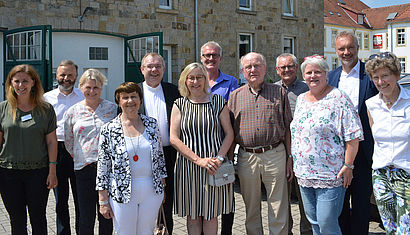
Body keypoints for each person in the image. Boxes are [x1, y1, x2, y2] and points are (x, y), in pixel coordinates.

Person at [291, 55, 363, 235]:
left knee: (327, 222)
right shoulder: (301, 99)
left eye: (318, 72)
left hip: (330, 175)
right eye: (309, 72)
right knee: (314, 221)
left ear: (326, 74)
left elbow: (353, 137)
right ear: (304, 76)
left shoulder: (338, 97)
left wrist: (348, 165)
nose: (313, 76)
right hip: (304, 172)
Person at [228, 52, 293, 235]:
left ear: (265, 69)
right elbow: (231, 133)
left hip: (275, 154)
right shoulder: (235, 96)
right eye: (248, 67)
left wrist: (289, 158)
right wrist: (229, 162)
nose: (253, 70)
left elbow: (288, 127)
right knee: (251, 208)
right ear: (242, 71)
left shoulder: (279, 92)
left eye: (257, 65)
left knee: (278, 206)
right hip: (247, 157)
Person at [170, 63, 234, 235]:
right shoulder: (179, 104)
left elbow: (229, 134)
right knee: (193, 216)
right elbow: (174, 138)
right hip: (188, 167)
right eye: (191, 77)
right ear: (185, 80)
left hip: (214, 168)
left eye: (199, 77)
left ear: (205, 80)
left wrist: (219, 159)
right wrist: (199, 160)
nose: (195, 81)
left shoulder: (218, 102)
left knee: (211, 215)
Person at [96, 82, 167, 234]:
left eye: (134, 96)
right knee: (124, 232)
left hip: (151, 190)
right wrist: (103, 200)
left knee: (146, 231)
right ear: (118, 101)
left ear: (140, 100)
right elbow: (103, 166)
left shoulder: (151, 124)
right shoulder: (109, 129)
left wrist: (162, 187)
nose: (130, 101)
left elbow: (160, 158)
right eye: (125, 97)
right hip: (122, 192)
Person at [328, 31, 378, 235]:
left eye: (350, 47)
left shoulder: (371, 75)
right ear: (336, 51)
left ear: (357, 48)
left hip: (365, 152)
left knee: (361, 205)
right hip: (337, 154)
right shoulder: (331, 77)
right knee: (338, 205)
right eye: (341, 48)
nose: (346, 52)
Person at [0, 64, 58, 234]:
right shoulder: (3, 109)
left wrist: (52, 171)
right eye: (16, 81)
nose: (20, 85)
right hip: (8, 172)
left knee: (38, 217)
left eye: (25, 81)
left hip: (38, 172)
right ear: (10, 84)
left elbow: (52, 142)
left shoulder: (46, 110)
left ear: (34, 82)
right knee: (16, 220)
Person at [64, 69, 115, 234]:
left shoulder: (112, 109)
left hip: (108, 169)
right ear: (81, 87)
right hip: (83, 169)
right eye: (88, 87)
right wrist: (82, 156)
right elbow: (69, 141)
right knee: (85, 216)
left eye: (96, 87)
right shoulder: (72, 112)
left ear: (101, 88)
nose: (92, 91)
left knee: (106, 214)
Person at [365, 52, 410, 234]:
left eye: (385, 76)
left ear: (397, 76)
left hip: (407, 173)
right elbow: (376, 139)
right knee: (389, 227)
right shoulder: (371, 105)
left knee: (405, 229)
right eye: (376, 78)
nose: (381, 82)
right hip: (381, 175)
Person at [138, 52, 180, 235]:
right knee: (144, 201)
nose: (154, 70)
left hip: (169, 153)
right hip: (141, 156)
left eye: (158, 66)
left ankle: (165, 231)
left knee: (166, 200)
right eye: (150, 66)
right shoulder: (133, 92)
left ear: (163, 69)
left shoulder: (173, 91)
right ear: (142, 69)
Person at [200, 41, 238, 235]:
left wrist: (228, 154)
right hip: (199, 149)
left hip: (224, 145)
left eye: (214, 55)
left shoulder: (230, 82)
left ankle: (227, 232)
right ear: (201, 58)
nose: (211, 58)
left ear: (220, 58)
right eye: (207, 55)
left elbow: (232, 118)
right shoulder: (195, 81)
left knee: (227, 194)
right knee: (204, 194)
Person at [44, 60, 83, 235]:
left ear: (76, 76)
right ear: (57, 76)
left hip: (78, 150)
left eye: (70, 75)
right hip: (57, 151)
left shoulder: (84, 96)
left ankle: (82, 231)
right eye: (62, 75)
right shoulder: (46, 99)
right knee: (61, 201)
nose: (66, 78)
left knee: (80, 199)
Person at [275, 53, 311, 235]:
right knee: (282, 199)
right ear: (277, 70)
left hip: (304, 150)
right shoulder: (271, 90)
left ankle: (307, 231)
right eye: (283, 67)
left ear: (297, 68)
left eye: (290, 66)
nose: (287, 70)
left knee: (305, 198)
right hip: (279, 151)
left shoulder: (308, 89)